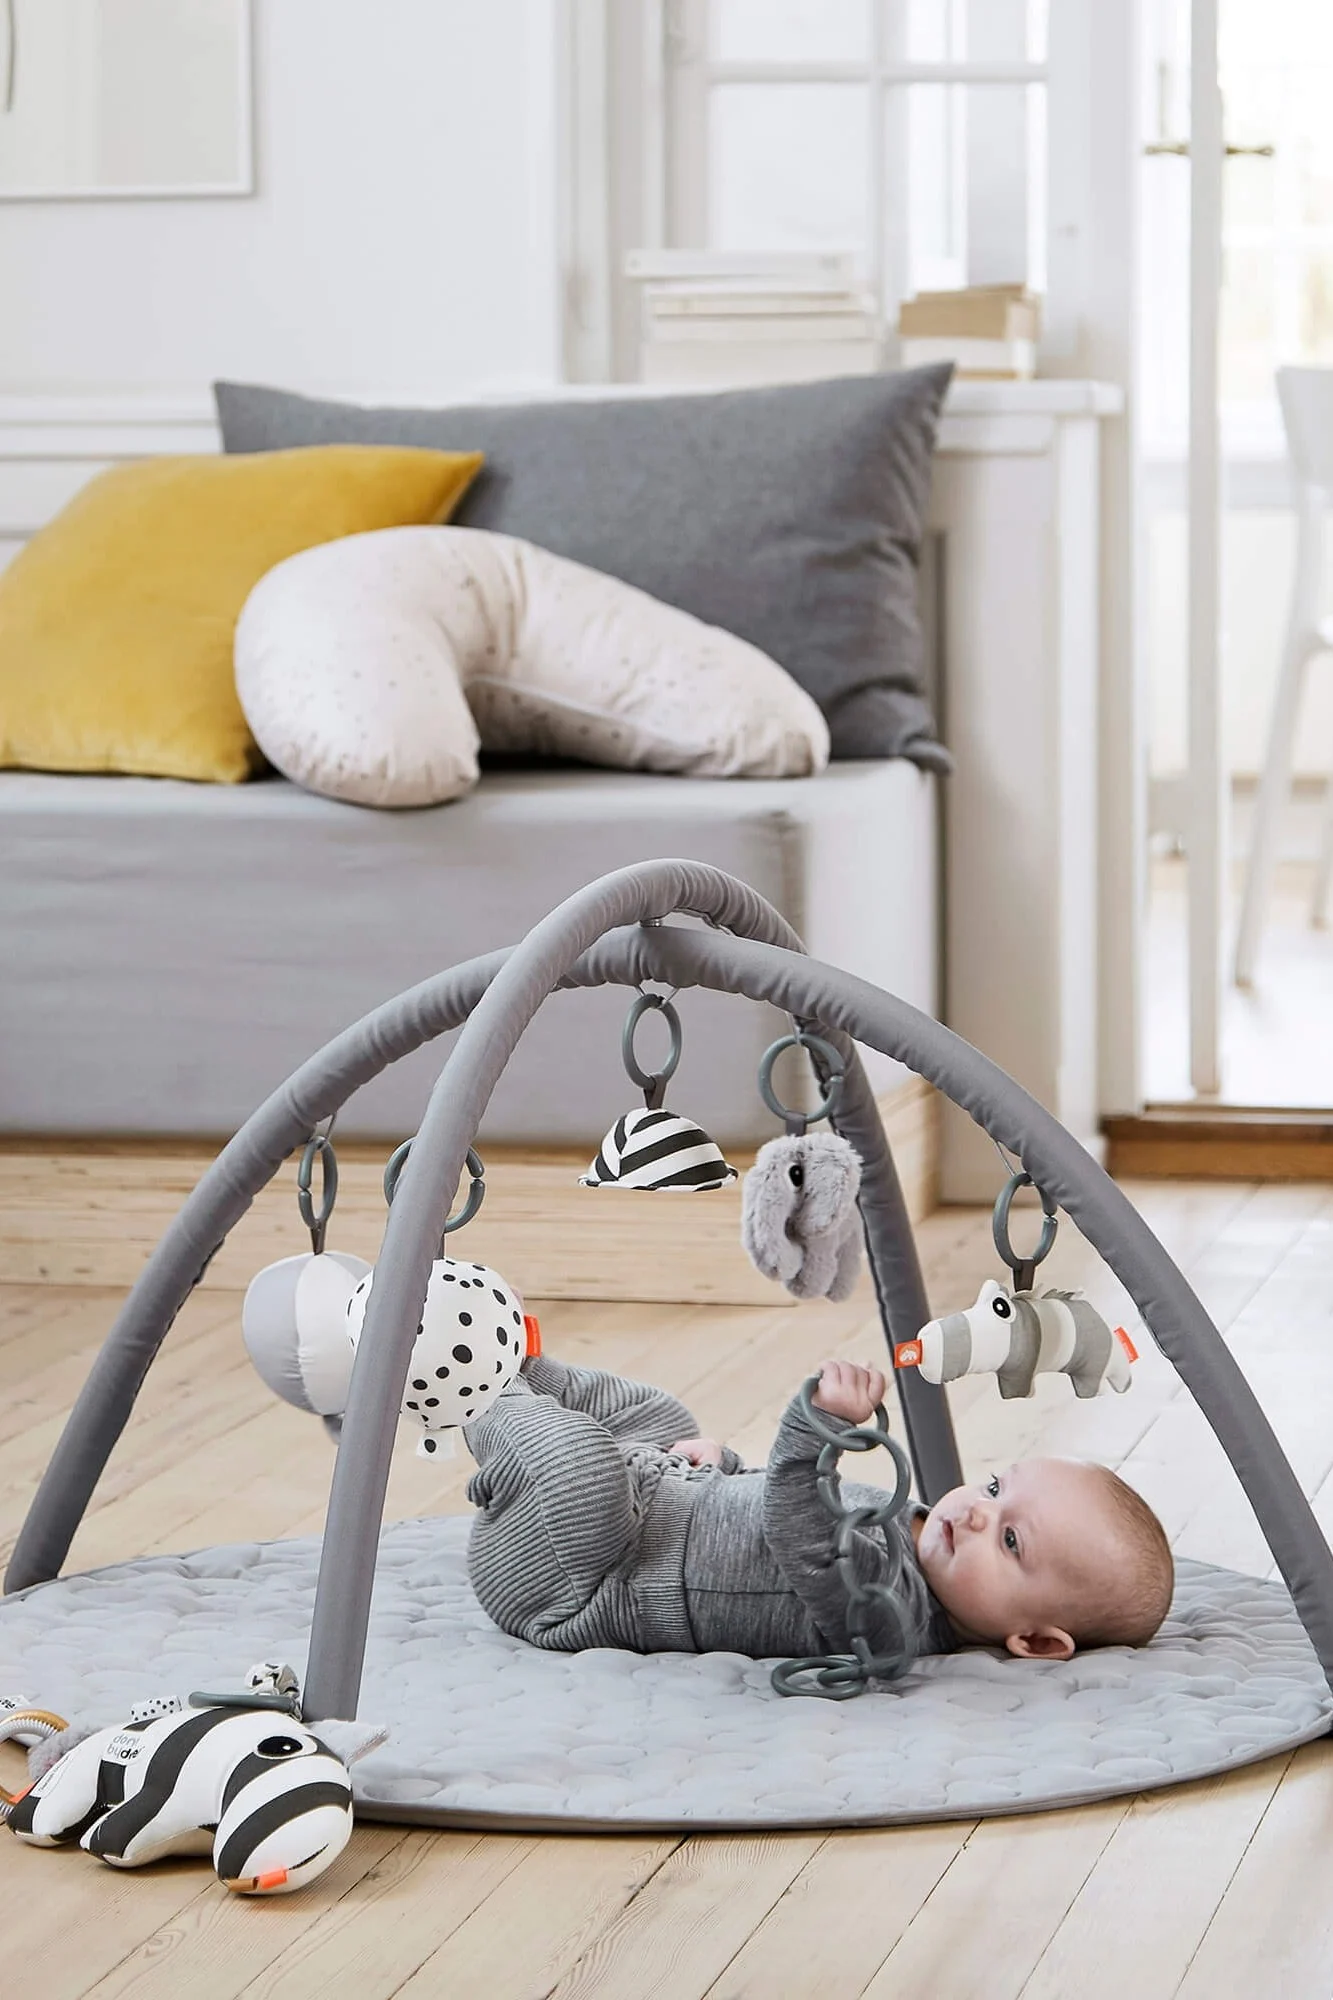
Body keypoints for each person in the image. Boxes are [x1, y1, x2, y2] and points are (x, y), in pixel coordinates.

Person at [463, 1351, 1174, 1668]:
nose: (981, 1515)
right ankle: (520, 1360)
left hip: (578, 1577)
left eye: (1013, 1542)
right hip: (656, 1500)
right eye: (994, 1489)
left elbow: (798, 1527)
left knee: (576, 1462)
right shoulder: (924, 1527)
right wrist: (721, 1472)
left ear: (1036, 1640)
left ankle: (471, 1384)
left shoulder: (890, 1618)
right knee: (659, 1413)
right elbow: (759, 1511)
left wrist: (817, 1429)